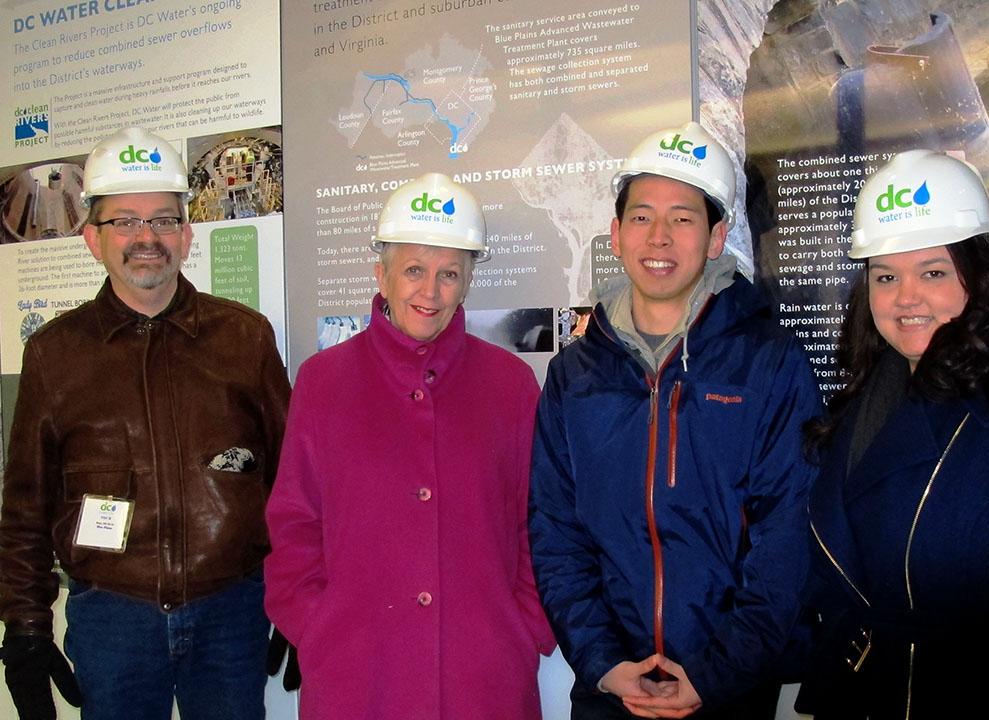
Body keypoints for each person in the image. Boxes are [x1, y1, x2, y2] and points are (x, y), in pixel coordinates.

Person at [529, 121, 822, 719]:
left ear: (716, 238)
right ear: (615, 233)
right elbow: (557, 531)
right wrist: (603, 662)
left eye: (683, 218)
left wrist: (719, 673)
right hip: (611, 690)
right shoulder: (574, 374)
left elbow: (787, 536)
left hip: (728, 691)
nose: (658, 237)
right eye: (641, 216)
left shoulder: (769, 362)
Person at [0, 126, 291, 720]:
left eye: (162, 220)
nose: (145, 238)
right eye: (124, 221)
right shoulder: (55, 355)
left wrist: (298, 598)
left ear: (186, 236)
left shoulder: (245, 337)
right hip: (113, 620)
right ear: (92, 239)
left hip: (231, 612)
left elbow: (294, 484)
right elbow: (26, 506)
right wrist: (26, 628)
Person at [797, 149, 989, 718]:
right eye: (885, 276)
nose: (905, 298)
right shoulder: (863, 402)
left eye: (932, 272)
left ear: (979, 278)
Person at [264, 173, 555, 718]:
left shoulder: (510, 384)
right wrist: (319, 628)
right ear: (381, 274)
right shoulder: (324, 381)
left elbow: (539, 521)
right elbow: (294, 524)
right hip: (358, 677)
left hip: (484, 677)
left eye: (449, 274)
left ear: (468, 282)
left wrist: (523, 627)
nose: (430, 291)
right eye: (414, 271)